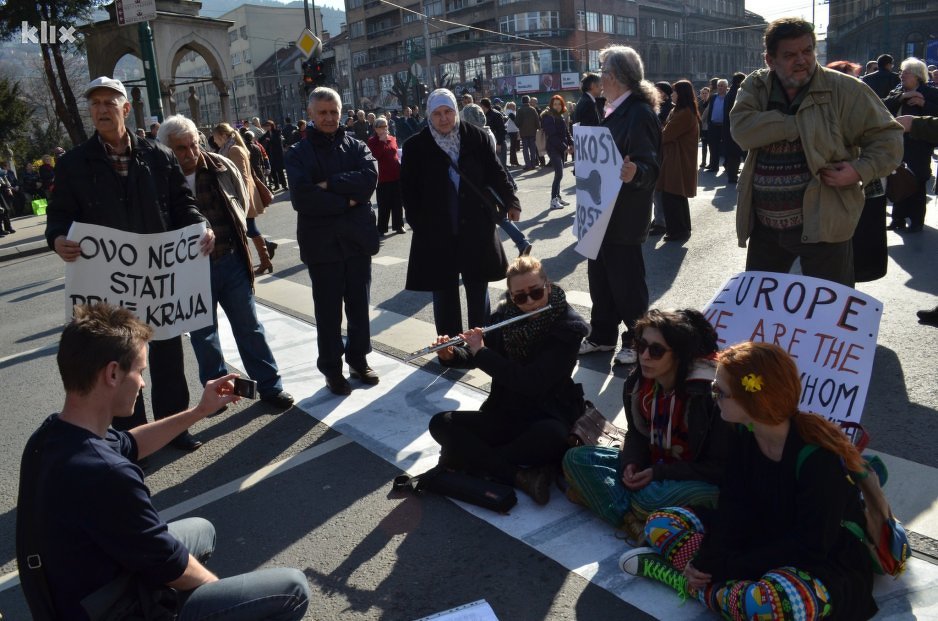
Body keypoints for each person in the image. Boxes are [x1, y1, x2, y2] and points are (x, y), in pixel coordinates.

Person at [16, 303, 310, 620]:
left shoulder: (52, 436)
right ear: (112, 373)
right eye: (140, 371)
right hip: (110, 609)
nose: (143, 383)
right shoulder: (107, 474)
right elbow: (169, 562)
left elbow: (131, 442)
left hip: (72, 594)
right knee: (292, 589)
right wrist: (225, 600)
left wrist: (200, 411)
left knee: (202, 529)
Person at [621, 342, 878, 621]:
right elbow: (733, 506)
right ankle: (719, 591)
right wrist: (708, 559)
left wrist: (727, 566)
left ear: (752, 399)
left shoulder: (819, 459)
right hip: (759, 537)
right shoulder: (745, 435)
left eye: (720, 391)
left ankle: (697, 586)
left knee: (771, 605)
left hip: (820, 561)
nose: (713, 397)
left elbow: (811, 546)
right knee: (661, 523)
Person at [45, 76, 212, 451]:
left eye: (109, 102)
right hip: (110, 284)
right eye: (95, 103)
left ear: (125, 108)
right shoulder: (73, 164)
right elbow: (59, 216)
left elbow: (183, 206)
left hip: (158, 282)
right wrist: (57, 239)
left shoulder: (158, 155)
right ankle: (129, 439)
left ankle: (173, 427)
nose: (101, 109)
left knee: (167, 356)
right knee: (117, 363)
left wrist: (201, 229)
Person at [731, 17, 903, 287]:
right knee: (761, 318)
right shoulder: (757, 86)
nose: (802, 60)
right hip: (766, 227)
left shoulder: (845, 89)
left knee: (828, 317)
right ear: (770, 60)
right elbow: (742, 130)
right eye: (790, 55)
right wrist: (800, 123)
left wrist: (860, 170)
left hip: (825, 224)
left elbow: (889, 138)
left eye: (807, 51)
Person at [157, 115, 294, 411]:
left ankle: (270, 387)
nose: (190, 152)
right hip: (191, 272)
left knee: (249, 328)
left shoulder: (221, 165)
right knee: (204, 337)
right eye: (181, 148)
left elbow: (240, 203)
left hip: (230, 260)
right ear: (168, 150)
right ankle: (218, 394)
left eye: (194, 144)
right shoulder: (162, 180)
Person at [427, 256, 589, 504]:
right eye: (521, 297)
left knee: (554, 436)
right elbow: (477, 354)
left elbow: (531, 382)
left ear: (548, 285)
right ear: (512, 297)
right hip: (505, 414)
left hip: (545, 414)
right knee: (441, 423)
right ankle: (518, 475)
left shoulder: (568, 326)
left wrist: (481, 352)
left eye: (536, 292)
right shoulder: (503, 318)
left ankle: (473, 459)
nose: (531, 302)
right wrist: (450, 354)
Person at [565, 307, 729, 537]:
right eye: (640, 346)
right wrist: (632, 462)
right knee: (577, 458)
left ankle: (619, 507)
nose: (644, 356)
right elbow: (636, 434)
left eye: (656, 350)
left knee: (647, 499)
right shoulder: (638, 384)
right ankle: (636, 522)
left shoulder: (705, 395)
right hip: (654, 466)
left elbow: (718, 468)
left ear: (680, 355)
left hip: (694, 478)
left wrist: (657, 473)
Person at [401, 89, 521, 338]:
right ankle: (451, 348)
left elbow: (496, 172)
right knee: (444, 293)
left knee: (478, 289)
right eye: (437, 114)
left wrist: (511, 200)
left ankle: (480, 345)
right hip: (436, 232)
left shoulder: (475, 137)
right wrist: (420, 225)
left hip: (475, 227)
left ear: (456, 111)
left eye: (448, 112)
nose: (444, 118)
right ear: (428, 115)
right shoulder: (415, 147)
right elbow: (408, 194)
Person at [285, 87, 379, 396]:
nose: (328, 117)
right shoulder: (298, 153)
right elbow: (303, 197)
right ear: (310, 115)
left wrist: (330, 185)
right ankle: (332, 369)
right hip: (322, 246)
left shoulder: (357, 147)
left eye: (333, 112)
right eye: (322, 112)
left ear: (342, 113)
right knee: (327, 313)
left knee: (359, 307)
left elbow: (369, 180)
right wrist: (347, 202)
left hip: (356, 242)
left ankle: (358, 359)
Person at [577, 45, 660, 367]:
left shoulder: (638, 113)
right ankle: (601, 335)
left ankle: (637, 340)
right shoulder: (615, 109)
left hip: (623, 216)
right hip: (602, 212)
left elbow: (650, 165)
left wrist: (636, 171)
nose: (599, 79)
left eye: (602, 72)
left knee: (627, 284)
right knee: (601, 279)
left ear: (613, 77)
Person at [460, 102, 533, 257]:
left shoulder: (477, 134)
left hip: (484, 184)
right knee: (496, 217)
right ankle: (520, 243)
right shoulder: (487, 132)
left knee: (494, 218)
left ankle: (519, 243)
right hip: (490, 184)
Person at [883, 57, 938, 233]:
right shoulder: (898, 91)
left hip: (919, 145)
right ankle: (897, 218)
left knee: (917, 181)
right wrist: (902, 97)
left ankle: (916, 220)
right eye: (901, 72)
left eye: (906, 73)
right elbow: (882, 107)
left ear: (917, 76)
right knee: (898, 179)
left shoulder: (930, 93)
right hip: (897, 144)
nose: (902, 75)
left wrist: (923, 104)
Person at [213, 123, 275, 275]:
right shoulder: (229, 148)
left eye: (215, 137)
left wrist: (241, 201)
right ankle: (265, 256)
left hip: (243, 197)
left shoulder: (234, 149)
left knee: (249, 229)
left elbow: (243, 177)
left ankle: (265, 260)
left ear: (222, 135)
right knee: (248, 229)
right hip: (241, 196)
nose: (214, 141)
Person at [657, 80, 700, 242]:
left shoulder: (684, 113)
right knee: (676, 195)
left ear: (681, 94)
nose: (672, 94)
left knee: (672, 195)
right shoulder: (680, 110)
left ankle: (677, 230)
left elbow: (666, 135)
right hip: (675, 157)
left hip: (678, 159)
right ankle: (681, 228)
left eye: (674, 91)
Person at [367, 116, 405, 235]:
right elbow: (375, 156)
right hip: (383, 177)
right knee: (384, 204)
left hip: (396, 174)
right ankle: (382, 228)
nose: (384, 129)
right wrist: (382, 142)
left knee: (397, 202)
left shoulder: (392, 138)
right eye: (382, 127)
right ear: (376, 128)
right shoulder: (372, 141)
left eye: (386, 126)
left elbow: (395, 152)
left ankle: (399, 225)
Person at [541, 95, 574, 210]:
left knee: (559, 174)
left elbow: (566, 132)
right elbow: (553, 136)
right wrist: (565, 147)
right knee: (558, 174)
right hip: (553, 148)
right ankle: (553, 200)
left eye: (559, 104)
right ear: (551, 105)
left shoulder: (559, 116)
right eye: (555, 104)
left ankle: (558, 197)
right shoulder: (548, 117)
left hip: (560, 148)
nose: (557, 106)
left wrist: (572, 143)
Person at [721, 72, 746, 183]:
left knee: (732, 154)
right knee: (739, 153)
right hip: (738, 127)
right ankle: (736, 176)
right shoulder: (739, 93)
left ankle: (732, 175)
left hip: (728, 127)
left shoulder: (729, 93)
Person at [703, 79, 727, 172]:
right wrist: (708, 122)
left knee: (725, 146)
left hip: (724, 125)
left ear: (726, 87)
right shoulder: (713, 97)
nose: (720, 87)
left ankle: (727, 165)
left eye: (722, 86)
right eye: (719, 86)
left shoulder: (728, 97)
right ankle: (714, 166)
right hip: (713, 125)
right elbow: (709, 109)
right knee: (713, 146)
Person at [480, 97, 508, 167]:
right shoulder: (484, 115)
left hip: (499, 143)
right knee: (496, 168)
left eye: (480, 106)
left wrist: (498, 144)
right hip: (491, 143)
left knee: (502, 168)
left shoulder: (496, 114)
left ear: (483, 106)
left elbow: (502, 130)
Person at [516, 95, 541, 170]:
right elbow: (537, 120)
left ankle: (528, 165)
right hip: (532, 132)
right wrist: (538, 128)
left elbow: (517, 122)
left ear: (522, 101)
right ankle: (533, 164)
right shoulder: (533, 109)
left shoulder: (520, 110)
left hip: (523, 133)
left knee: (525, 150)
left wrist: (520, 126)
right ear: (529, 101)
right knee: (533, 149)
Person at [262, 119, 287, 191]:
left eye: (268, 126)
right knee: (273, 171)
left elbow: (278, 141)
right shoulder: (266, 133)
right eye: (266, 126)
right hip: (270, 155)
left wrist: (270, 140)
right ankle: (276, 185)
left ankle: (284, 185)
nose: (267, 127)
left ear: (271, 126)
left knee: (280, 171)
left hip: (277, 154)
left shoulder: (277, 132)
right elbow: (260, 139)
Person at [697, 86, 711, 170]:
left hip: (710, 126)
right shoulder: (699, 103)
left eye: (706, 93)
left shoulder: (711, 103)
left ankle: (711, 162)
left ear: (709, 94)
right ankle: (703, 161)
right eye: (703, 93)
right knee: (704, 145)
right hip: (702, 126)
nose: (704, 95)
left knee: (711, 146)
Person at [504, 101, 521, 167]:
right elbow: (515, 120)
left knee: (514, 147)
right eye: (513, 106)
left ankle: (514, 162)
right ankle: (514, 162)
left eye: (515, 106)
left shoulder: (511, 112)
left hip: (514, 131)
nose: (514, 107)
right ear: (509, 106)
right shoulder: (509, 112)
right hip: (511, 131)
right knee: (513, 148)